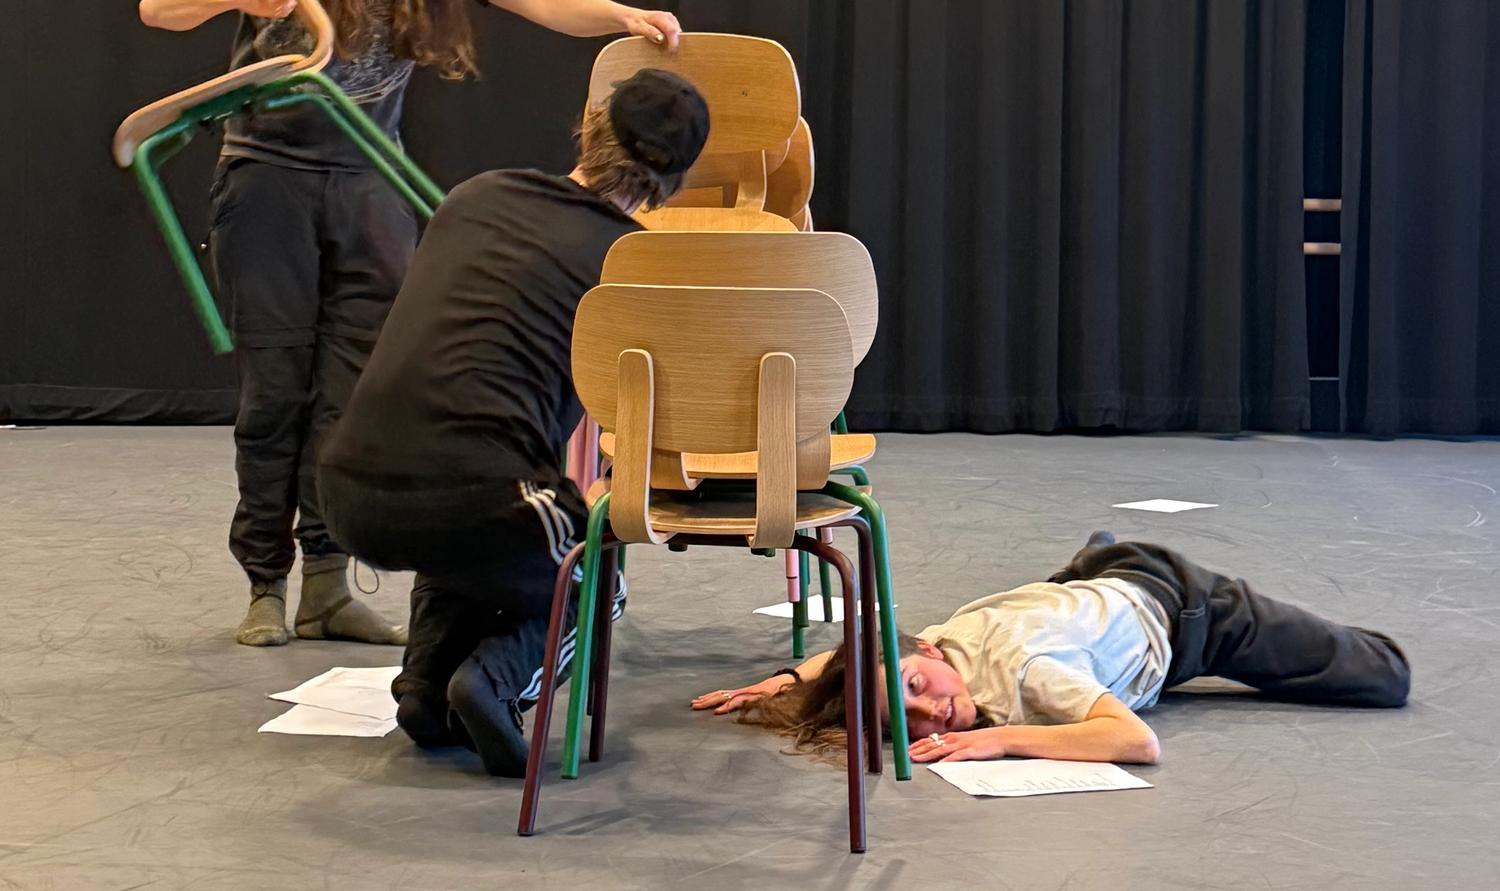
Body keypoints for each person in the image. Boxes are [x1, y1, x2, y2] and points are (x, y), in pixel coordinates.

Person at [137, 0, 685, 648]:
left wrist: (622, 16)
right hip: (267, 180)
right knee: (274, 395)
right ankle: (266, 582)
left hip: (369, 186)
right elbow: (158, 10)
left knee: (347, 396)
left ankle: (326, 589)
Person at [314, 68, 709, 777]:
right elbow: (655, 416)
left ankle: (424, 691)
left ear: (589, 128)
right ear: (673, 181)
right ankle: (494, 681)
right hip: (474, 492)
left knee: (476, 539)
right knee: (593, 576)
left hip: (347, 487)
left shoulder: (477, 194)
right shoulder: (631, 265)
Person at [693, 532, 1411, 764]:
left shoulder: (1029, 676)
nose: (930, 713)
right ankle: (1100, 558)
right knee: (1077, 608)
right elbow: (867, 655)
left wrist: (1001, 739)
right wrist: (786, 678)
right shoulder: (932, 652)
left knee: (1384, 676)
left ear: (930, 659)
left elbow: (1136, 741)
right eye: (904, 721)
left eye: (914, 689)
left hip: (1187, 610)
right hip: (1079, 588)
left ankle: (1114, 567)